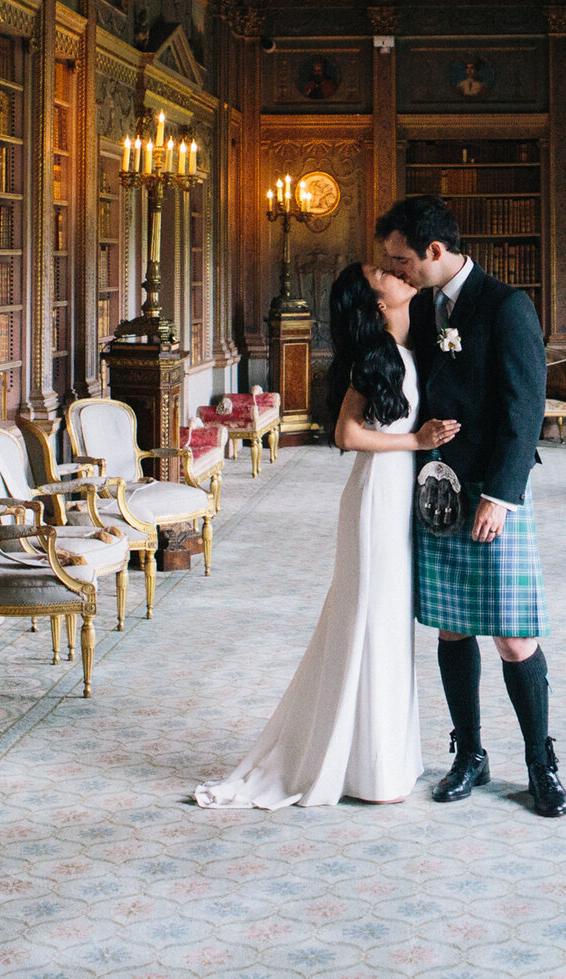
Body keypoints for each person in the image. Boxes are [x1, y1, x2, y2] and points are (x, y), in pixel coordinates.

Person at [195, 263, 459, 809]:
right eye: (383, 272)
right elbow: (346, 433)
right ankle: (366, 769)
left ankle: (385, 760)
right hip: (376, 500)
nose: (397, 271)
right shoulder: (376, 355)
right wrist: (417, 441)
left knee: (388, 627)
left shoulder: (418, 344)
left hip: (400, 498)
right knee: (372, 620)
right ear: (377, 301)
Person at [377, 193, 566, 818]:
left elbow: (525, 409)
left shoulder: (506, 304)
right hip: (436, 491)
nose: (397, 270)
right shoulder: (425, 307)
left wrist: (500, 496)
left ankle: (541, 764)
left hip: (492, 494)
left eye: (402, 259)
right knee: (453, 626)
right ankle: (470, 755)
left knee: (515, 638)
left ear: (435, 252)